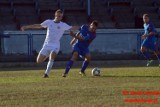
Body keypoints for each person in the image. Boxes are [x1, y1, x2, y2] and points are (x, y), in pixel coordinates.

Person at [21, 9, 79, 78]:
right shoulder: (49, 22)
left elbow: (72, 28)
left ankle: (46, 74)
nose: (59, 17)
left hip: (55, 45)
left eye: (60, 16)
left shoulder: (63, 25)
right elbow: (39, 25)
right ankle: (48, 55)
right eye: (58, 16)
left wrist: (82, 27)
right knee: (39, 61)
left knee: (52, 57)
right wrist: (26, 27)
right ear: (55, 15)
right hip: (46, 44)